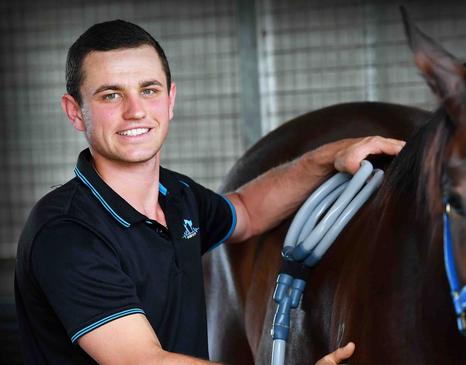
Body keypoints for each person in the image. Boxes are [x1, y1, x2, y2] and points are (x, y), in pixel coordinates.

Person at [14, 19, 404, 364]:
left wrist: (330, 156)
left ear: (170, 101)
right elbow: (142, 360)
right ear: (73, 111)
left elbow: (247, 211)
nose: (135, 110)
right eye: (111, 95)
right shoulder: (66, 233)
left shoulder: (178, 195)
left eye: (148, 90)